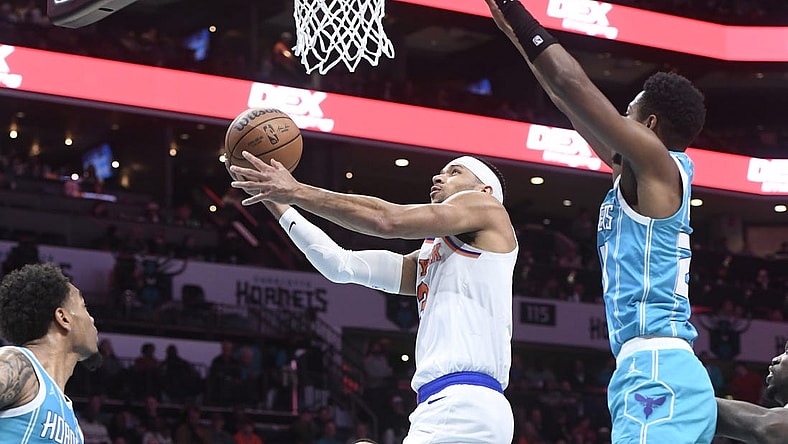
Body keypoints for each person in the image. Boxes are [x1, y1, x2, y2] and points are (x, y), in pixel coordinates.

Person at [482, 0, 713, 442]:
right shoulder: (640, 174)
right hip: (659, 367)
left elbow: (573, 84)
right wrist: (511, 29)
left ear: (648, 125)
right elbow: (562, 97)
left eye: (626, 114)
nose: (617, 120)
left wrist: (515, 8)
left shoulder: (658, 164)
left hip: (655, 367)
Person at [229, 151, 518, 443]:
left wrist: (296, 190)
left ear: (485, 190)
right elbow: (339, 265)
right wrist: (274, 199)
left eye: (455, 172)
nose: (438, 176)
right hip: (452, 406)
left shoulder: (488, 208)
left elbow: (386, 220)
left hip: (460, 404)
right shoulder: (433, 259)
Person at [0, 263, 101, 443]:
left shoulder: (75, 430)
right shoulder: (17, 365)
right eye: (84, 306)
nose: (92, 319)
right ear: (63, 318)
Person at [715, 341, 788, 443]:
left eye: (787, 352)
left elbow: (771, 428)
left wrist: (699, 402)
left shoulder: (753, 377)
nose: (775, 359)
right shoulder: (737, 379)